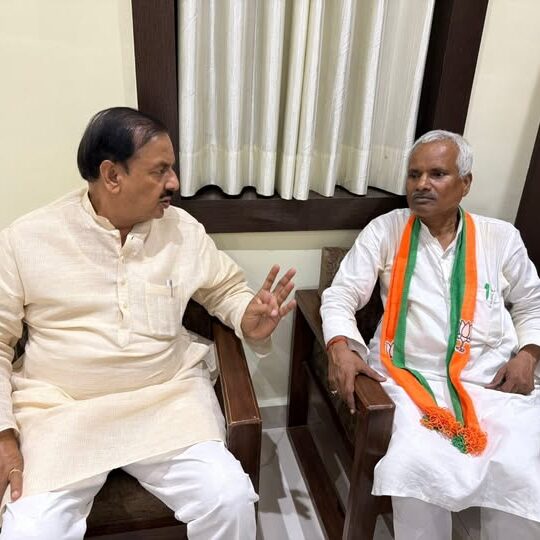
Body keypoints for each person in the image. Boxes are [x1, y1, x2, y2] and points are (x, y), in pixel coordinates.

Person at [0, 107, 296, 539]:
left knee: (229, 500)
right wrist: (4, 434)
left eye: (172, 168)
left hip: (167, 401)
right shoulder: (26, 239)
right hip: (61, 412)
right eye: (160, 171)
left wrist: (247, 318)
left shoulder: (182, 230)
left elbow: (224, 289)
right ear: (112, 175)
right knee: (29, 532)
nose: (174, 183)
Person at [321, 130, 540, 540]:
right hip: (410, 381)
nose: (421, 184)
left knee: (525, 468)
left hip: (492, 383)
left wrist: (528, 354)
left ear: (465, 183)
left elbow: (532, 303)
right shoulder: (386, 230)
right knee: (416, 466)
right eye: (414, 174)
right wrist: (340, 346)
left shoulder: (500, 237)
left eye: (437, 174)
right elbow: (340, 295)